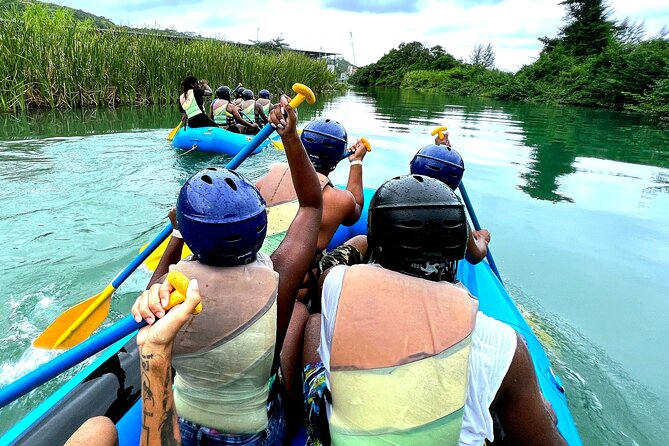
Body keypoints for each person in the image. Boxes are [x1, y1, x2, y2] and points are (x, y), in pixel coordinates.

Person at [301, 175, 567, 446]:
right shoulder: (500, 342)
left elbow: (336, 268)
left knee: (314, 322)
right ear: (458, 247)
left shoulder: (336, 285)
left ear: (375, 241)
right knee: (546, 412)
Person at [132, 94, 323, 446]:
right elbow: (312, 204)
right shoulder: (277, 278)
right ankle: (297, 418)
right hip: (249, 435)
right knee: (297, 316)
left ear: (190, 235)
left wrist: (176, 234)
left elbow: (158, 278)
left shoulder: (167, 290)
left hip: (182, 424)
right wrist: (291, 137)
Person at [409, 138, 490, 264]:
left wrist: (438, 154)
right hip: (434, 280)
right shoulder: (454, 212)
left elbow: (421, 178)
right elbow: (475, 256)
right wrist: (482, 240)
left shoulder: (393, 195)